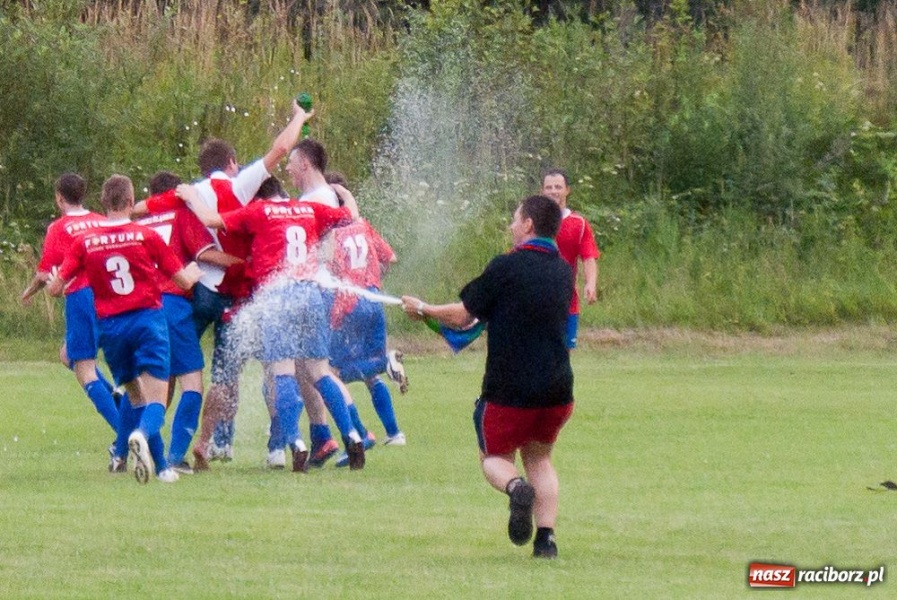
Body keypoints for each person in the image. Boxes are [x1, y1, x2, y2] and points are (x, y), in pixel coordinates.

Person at [134, 99, 313, 470]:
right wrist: (298, 117)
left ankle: (147, 435)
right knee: (224, 376)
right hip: (236, 296)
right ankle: (205, 442)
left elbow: (138, 210)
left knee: (174, 369)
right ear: (231, 163)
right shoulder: (240, 184)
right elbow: (280, 149)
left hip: (201, 293)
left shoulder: (190, 192)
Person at [401, 194, 574, 559]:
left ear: (528, 224)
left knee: (494, 457)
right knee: (540, 459)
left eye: (515, 219)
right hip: (558, 388)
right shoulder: (562, 271)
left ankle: (516, 490)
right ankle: (546, 541)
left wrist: (423, 309)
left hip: (509, 388)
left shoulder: (506, 266)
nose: (511, 226)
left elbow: (464, 315)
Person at [177, 165, 368, 471]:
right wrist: (343, 193)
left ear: (257, 196)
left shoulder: (257, 212)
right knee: (320, 371)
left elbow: (211, 220)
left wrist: (190, 195)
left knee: (284, 372)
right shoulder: (307, 208)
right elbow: (351, 217)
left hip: (278, 296)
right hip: (310, 292)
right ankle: (352, 434)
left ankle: (296, 442)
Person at [49, 174, 202, 484]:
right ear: (132, 202)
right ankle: (141, 434)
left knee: (136, 397)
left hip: (112, 329)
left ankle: (162, 469)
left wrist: (53, 278)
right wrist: (195, 272)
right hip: (147, 321)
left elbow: (55, 288)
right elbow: (182, 281)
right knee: (157, 398)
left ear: (104, 202)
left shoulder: (84, 241)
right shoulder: (145, 236)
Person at [135, 171, 243, 474]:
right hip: (171, 305)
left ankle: (126, 447)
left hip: (139, 309)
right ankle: (175, 457)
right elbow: (207, 255)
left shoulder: (138, 223)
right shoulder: (181, 215)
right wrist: (246, 264)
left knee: (150, 387)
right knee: (192, 384)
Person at [21, 173, 121, 466]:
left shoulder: (59, 227)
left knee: (84, 369)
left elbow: (45, 273)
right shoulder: (102, 220)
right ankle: (115, 396)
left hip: (81, 296)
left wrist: (27, 293)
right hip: (112, 294)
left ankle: (125, 434)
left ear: (59, 198)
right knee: (68, 355)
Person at [323, 174, 407, 463]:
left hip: (349, 305)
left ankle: (358, 433)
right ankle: (394, 432)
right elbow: (391, 259)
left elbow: (327, 269)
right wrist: (373, 276)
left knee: (331, 373)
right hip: (374, 300)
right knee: (370, 375)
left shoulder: (330, 232)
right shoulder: (363, 225)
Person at [540, 169, 600, 349]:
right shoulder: (532, 222)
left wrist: (591, 283)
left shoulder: (578, 224)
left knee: (562, 357)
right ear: (542, 191)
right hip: (534, 300)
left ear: (567, 190)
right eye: (548, 187)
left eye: (558, 187)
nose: (553, 191)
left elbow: (589, 257)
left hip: (566, 302)